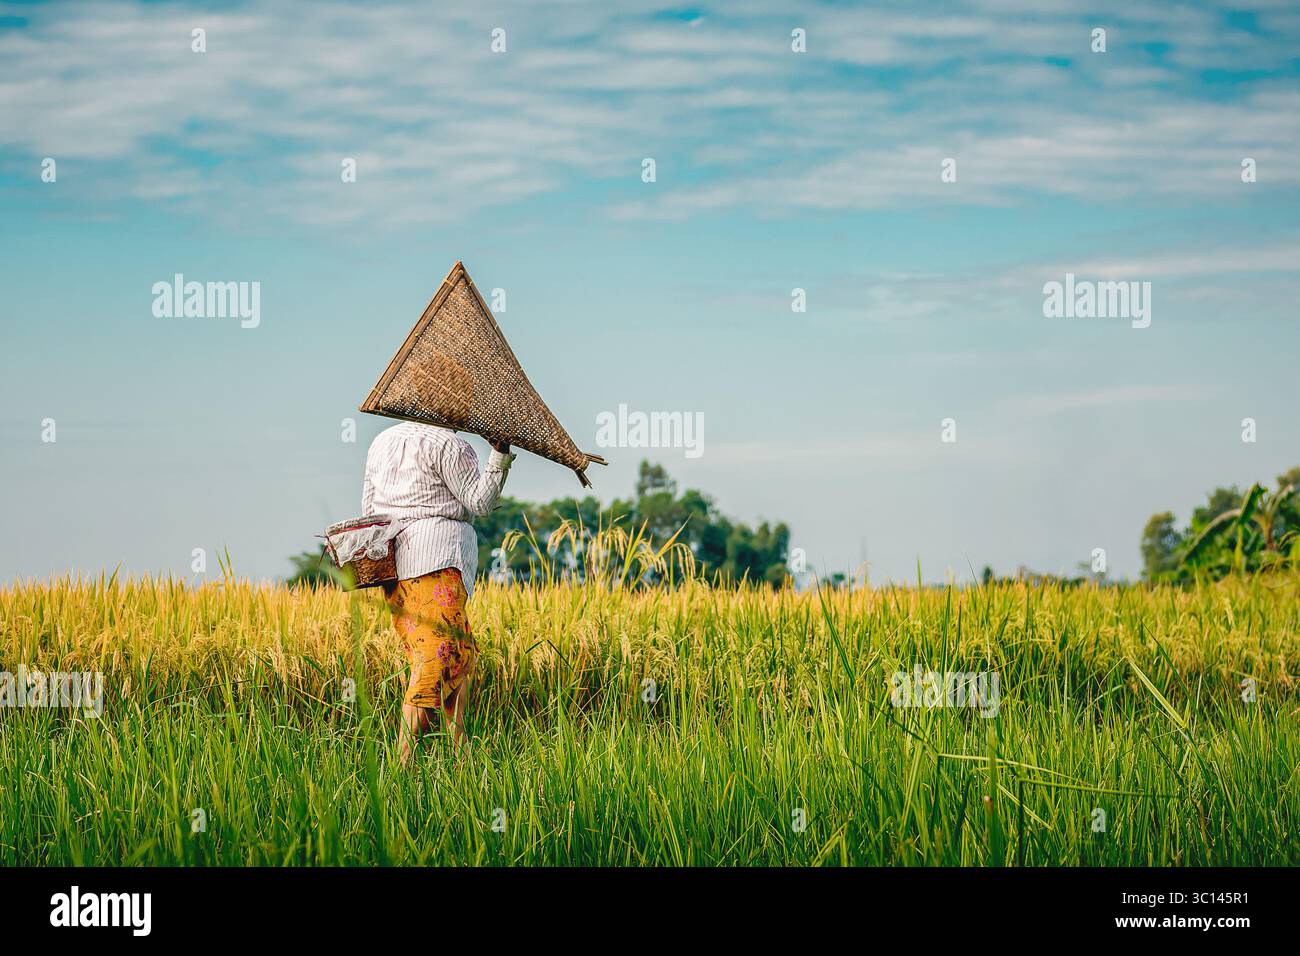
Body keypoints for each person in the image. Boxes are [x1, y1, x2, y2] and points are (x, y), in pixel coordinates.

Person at [361, 421, 515, 762]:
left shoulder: (382, 441)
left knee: (459, 653)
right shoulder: (449, 445)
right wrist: (500, 453)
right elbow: (481, 502)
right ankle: (403, 760)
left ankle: (460, 754)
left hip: (394, 566)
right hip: (436, 561)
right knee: (437, 658)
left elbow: (369, 509)